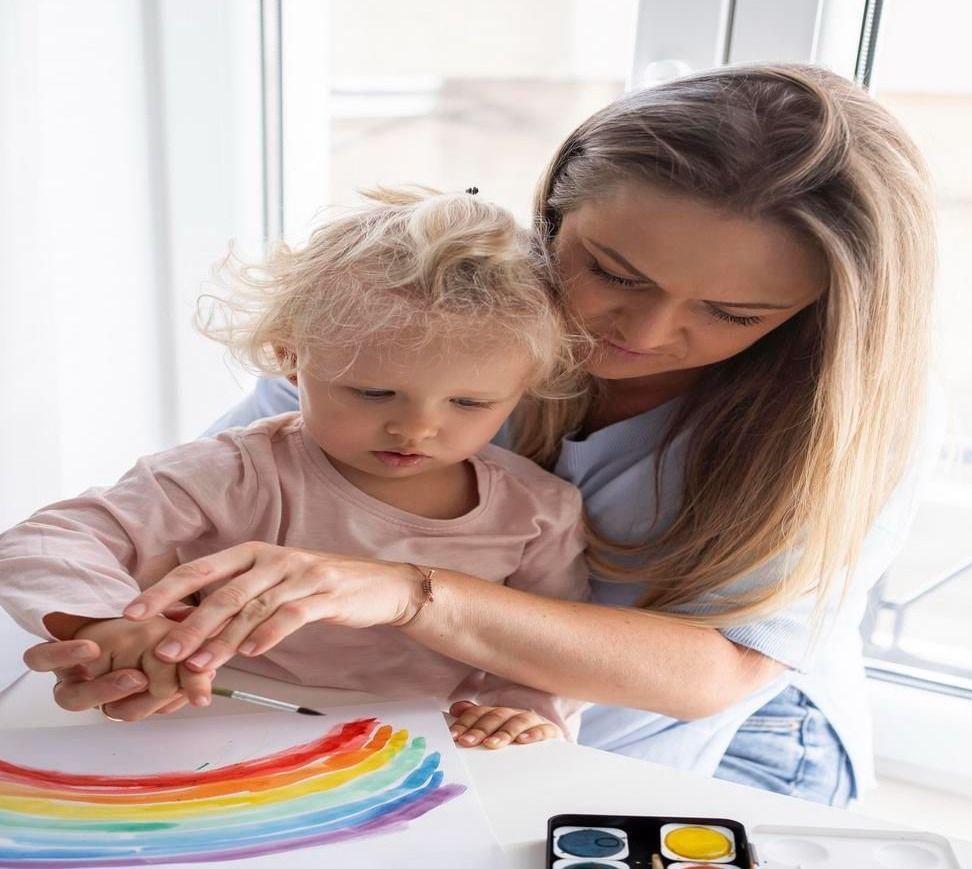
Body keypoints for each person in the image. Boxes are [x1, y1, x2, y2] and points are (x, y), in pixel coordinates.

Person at [19, 64, 943, 806]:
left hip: (726, 742)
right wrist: (125, 639)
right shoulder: (421, 309)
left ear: (817, 316)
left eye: (733, 312)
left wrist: (410, 592)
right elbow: (197, 515)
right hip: (422, 719)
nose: (647, 333)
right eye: (611, 270)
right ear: (554, 214)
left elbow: (713, 675)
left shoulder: (846, 413)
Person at [0, 187, 591, 746]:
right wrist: (106, 624)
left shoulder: (540, 512)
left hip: (423, 744)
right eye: (373, 393)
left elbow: (551, 653)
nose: (415, 428)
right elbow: (47, 541)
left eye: (469, 403)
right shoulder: (235, 471)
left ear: (523, 388)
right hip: (220, 717)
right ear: (290, 357)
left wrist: (523, 712)